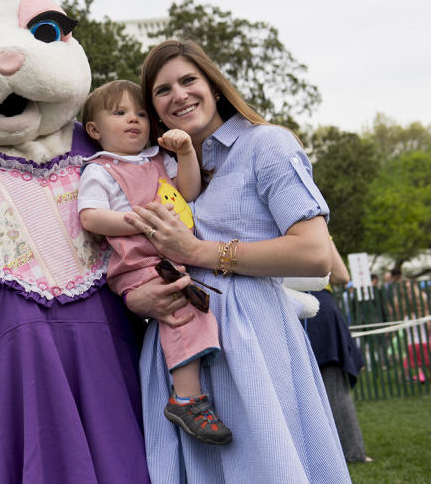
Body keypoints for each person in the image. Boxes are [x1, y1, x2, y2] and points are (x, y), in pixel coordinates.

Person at [123, 40, 350, 482]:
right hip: (174, 352)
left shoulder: (266, 144)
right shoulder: (157, 171)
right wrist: (138, 299)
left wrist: (198, 252)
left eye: (189, 80)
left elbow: (314, 253)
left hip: (252, 344)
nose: (179, 95)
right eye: (162, 90)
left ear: (214, 85)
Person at [77, 79, 230, 445]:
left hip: (168, 258)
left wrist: (187, 153)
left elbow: (189, 192)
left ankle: (190, 389)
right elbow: (90, 217)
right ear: (94, 129)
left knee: (194, 309)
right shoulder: (100, 170)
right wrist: (136, 220)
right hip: (137, 265)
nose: (134, 120)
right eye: (120, 113)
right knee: (181, 310)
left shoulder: (156, 160)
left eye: (141, 114)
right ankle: (187, 398)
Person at [304, 243, 371, 463]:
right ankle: (352, 452)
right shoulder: (315, 228)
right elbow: (342, 275)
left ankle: (342, 452)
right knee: (333, 385)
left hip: (297, 307)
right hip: (319, 309)